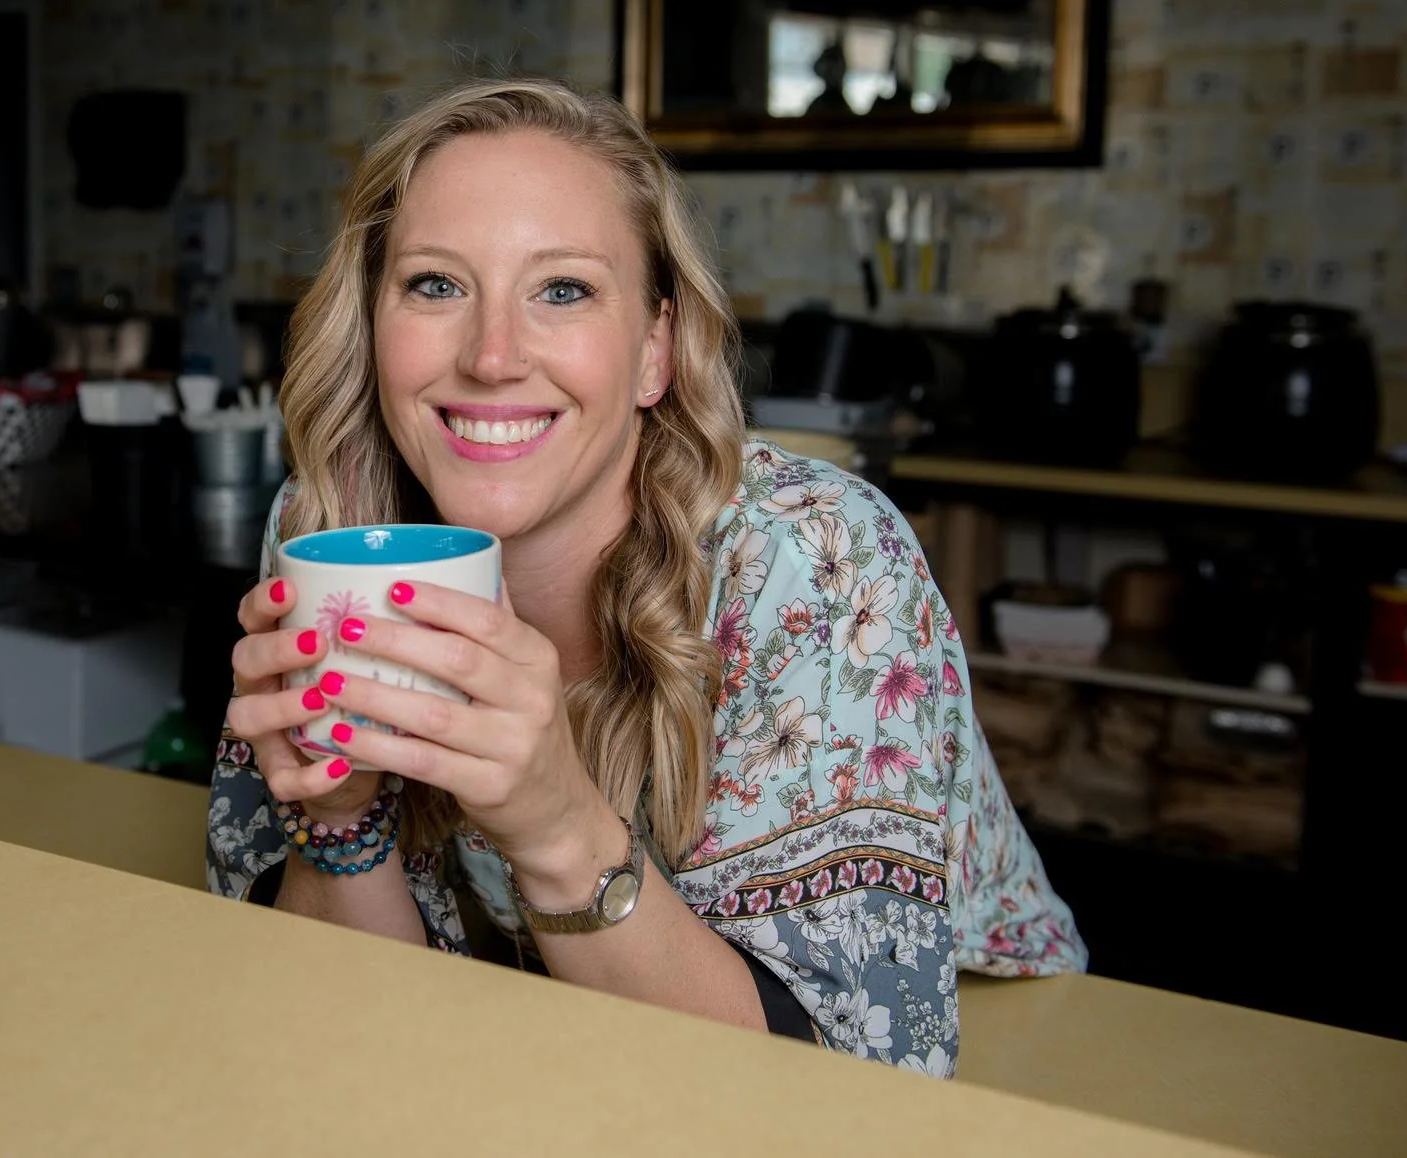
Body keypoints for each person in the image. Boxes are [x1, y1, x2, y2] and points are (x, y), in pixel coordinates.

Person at [207, 76, 1083, 1071]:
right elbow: (359, 1033)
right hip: (548, 1046)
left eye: (563, 290)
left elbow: (840, 1085)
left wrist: (555, 822)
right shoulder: (331, 532)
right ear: (371, 324)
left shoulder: (817, 559)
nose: (492, 356)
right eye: (436, 285)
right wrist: (338, 822)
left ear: (655, 351)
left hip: (1006, 1051)